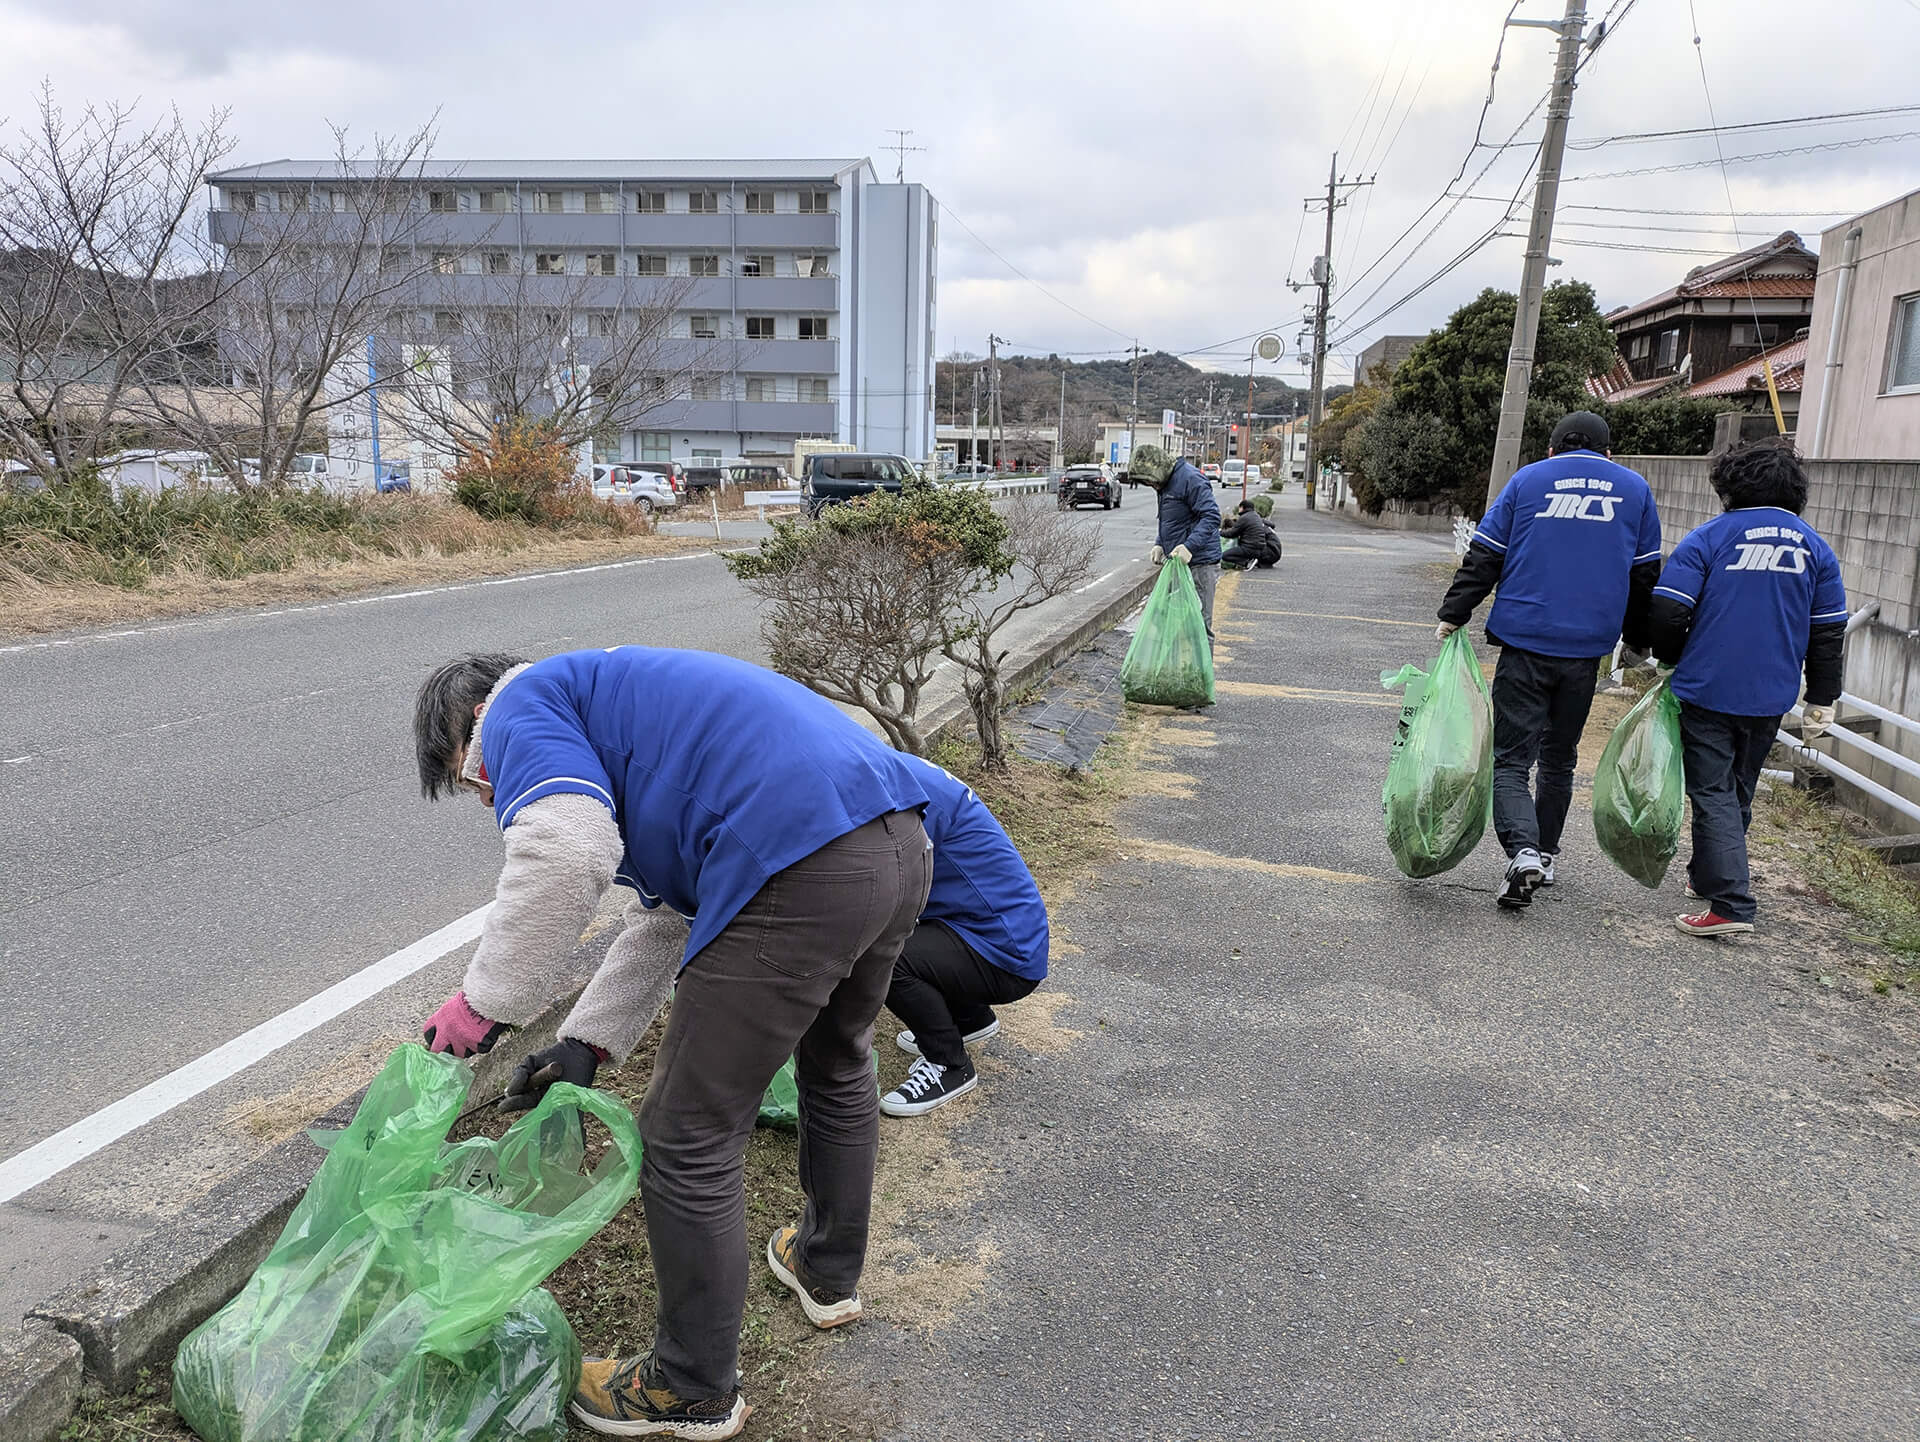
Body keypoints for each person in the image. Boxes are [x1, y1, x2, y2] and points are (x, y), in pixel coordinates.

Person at [413, 647, 934, 1440]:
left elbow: (565, 853)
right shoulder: (625, 714)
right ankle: (825, 1270)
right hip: (893, 845)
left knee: (686, 1134)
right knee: (836, 1062)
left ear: (465, 728)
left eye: (466, 776)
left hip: (798, 864)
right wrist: (585, 1044)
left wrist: (483, 1007)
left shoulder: (515, 709)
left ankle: (691, 1387)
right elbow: (668, 916)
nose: (485, 793)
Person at [1436, 410, 1663, 910]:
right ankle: (1547, 853)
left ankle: (1522, 852)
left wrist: (1454, 613)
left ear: (1552, 450)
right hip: (1587, 650)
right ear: (1608, 453)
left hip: (1524, 640)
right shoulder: (1634, 489)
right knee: (1560, 757)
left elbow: (1485, 555)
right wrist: (1639, 642)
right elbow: (1645, 575)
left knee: (1513, 759)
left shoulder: (1529, 479)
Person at [1649, 439, 1846, 938]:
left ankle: (1732, 903)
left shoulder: (1709, 538)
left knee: (1711, 790)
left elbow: (1670, 609)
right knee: (1738, 786)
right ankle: (1708, 874)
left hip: (1709, 686)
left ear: (1730, 486)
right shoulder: (1815, 549)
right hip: (1772, 694)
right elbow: (1828, 632)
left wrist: (1669, 658)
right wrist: (1823, 698)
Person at [877, 754, 1050, 1118]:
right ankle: (970, 1020)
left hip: (1005, 954)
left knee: (884, 956)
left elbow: (881, 889)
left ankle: (949, 1064)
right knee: (900, 934)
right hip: (999, 933)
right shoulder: (903, 775)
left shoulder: (910, 802)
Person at [1128, 443, 1222, 642]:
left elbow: (1212, 516)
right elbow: (1171, 519)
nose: (1152, 486)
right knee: (1164, 616)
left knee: (1199, 625)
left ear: (1159, 468)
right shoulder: (1165, 483)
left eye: (1151, 482)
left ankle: (1199, 673)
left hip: (1201, 562)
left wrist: (1190, 546)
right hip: (1176, 562)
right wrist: (1160, 542)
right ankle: (1174, 667)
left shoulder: (1191, 478)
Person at [1220, 499, 1282, 571]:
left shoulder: (1244, 518)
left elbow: (1232, 534)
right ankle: (1249, 560)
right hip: (1261, 549)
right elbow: (1272, 525)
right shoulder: (1256, 516)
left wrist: (1220, 532)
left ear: (1242, 507)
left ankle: (1246, 562)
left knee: (1225, 556)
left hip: (1249, 548)